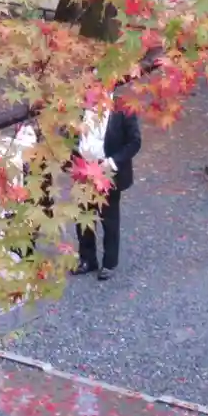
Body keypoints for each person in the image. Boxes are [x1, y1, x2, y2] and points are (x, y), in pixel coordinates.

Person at [71, 101, 141, 281]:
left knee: (109, 219)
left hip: (107, 171)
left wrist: (112, 162)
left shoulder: (122, 108)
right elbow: (69, 135)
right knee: (83, 217)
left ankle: (109, 262)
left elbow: (134, 142)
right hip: (83, 168)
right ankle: (87, 259)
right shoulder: (79, 106)